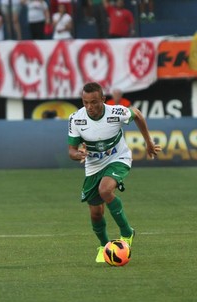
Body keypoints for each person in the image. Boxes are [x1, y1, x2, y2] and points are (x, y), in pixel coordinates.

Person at [67, 82, 161, 263]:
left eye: (94, 102)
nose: (89, 107)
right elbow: (71, 150)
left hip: (118, 159)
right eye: (85, 102)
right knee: (96, 212)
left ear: (103, 99)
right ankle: (104, 247)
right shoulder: (76, 119)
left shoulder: (116, 113)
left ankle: (127, 232)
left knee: (105, 190)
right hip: (93, 165)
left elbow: (138, 115)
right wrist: (78, 154)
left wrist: (148, 142)